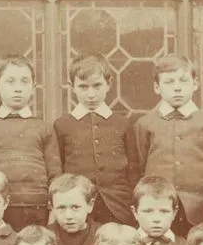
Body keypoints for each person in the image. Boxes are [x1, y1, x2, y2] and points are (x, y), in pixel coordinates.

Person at [131, 55, 203, 234]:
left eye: (183, 81)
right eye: (169, 82)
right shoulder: (144, 125)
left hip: (199, 212)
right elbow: (138, 170)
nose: (177, 87)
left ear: (195, 84)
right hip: (157, 212)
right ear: (157, 87)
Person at [0, 55, 61, 230]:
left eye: (24, 82)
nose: (17, 89)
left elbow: (55, 175)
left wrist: (53, 212)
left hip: (38, 208)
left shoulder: (44, 128)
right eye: (10, 82)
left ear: (33, 87)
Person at [53, 53, 139, 226]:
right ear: (72, 86)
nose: (91, 94)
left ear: (109, 84)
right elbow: (59, 169)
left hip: (118, 206)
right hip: (78, 208)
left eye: (97, 85)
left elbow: (134, 170)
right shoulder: (63, 124)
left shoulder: (123, 123)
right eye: (83, 87)